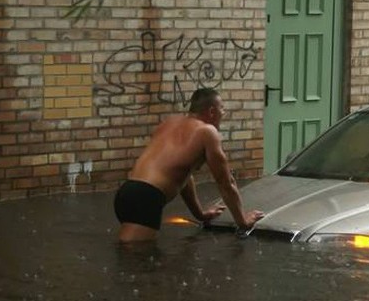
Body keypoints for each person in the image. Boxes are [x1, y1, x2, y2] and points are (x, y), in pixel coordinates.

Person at [113, 88, 264, 242]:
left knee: (137, 256)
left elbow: (184, 177)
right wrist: (243, 222)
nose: (224, 113)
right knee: (134, 256)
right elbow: (226, 183)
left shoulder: (170, 123)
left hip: (127, 192)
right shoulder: (207, 132)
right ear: (212, 111)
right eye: (222, 108)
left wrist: (201, 215)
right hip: (146, 198)